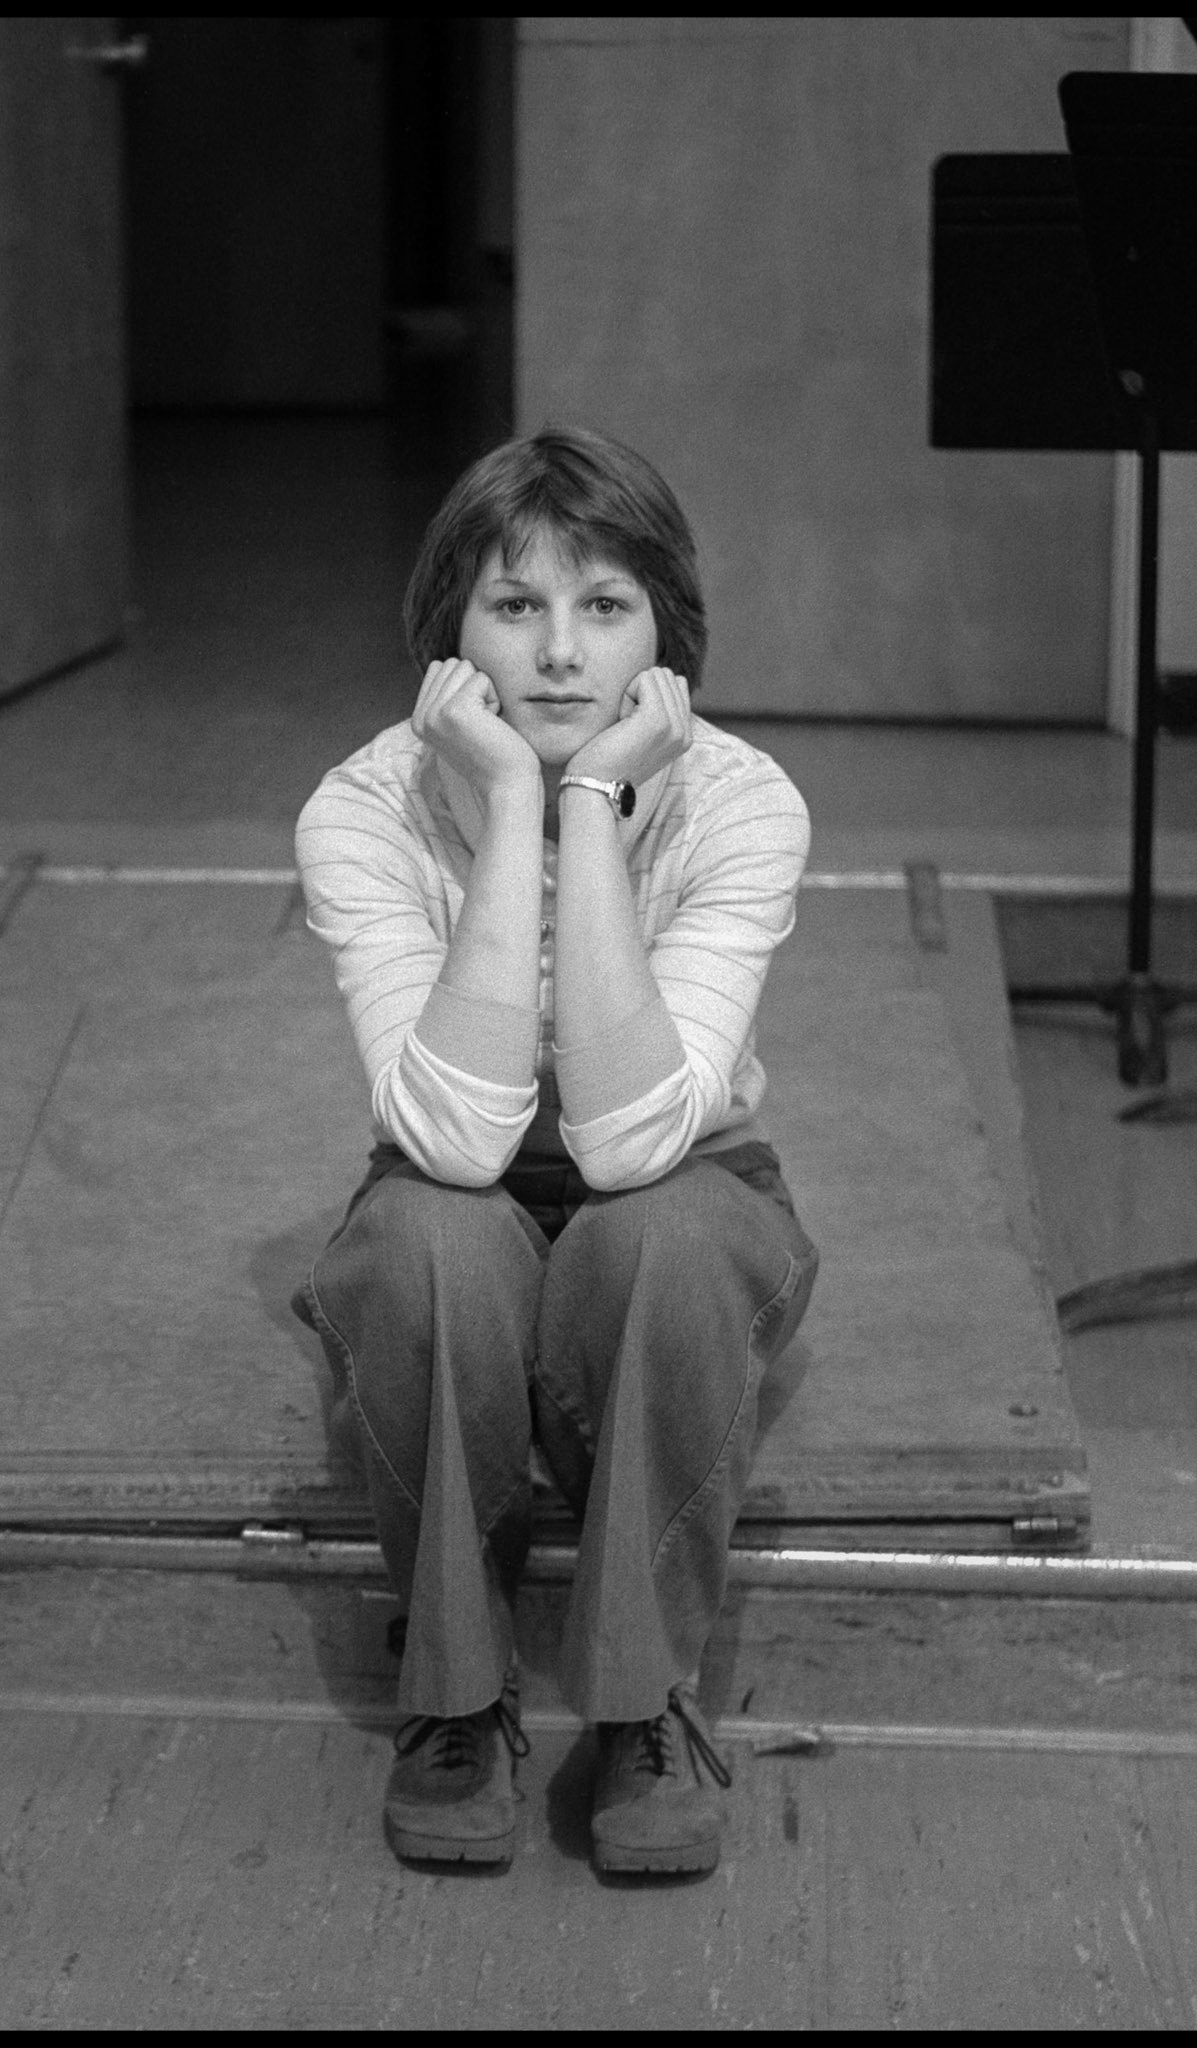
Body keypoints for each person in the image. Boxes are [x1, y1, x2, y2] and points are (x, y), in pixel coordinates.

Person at [292, 424, 818, 1876]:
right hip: (461, 1182)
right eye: (515, 607)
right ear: (448, 636)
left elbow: (639, 1134)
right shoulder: (363, 806)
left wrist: (586, 806)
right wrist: (513, 801)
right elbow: (455, 1141)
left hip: (680, 1184)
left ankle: (644, 1709)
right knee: (418, 1245)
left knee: (667, 1240)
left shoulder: (740, 800)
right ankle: (458, 1701)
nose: (562, 654)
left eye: (605, 606)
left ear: (666, 637)